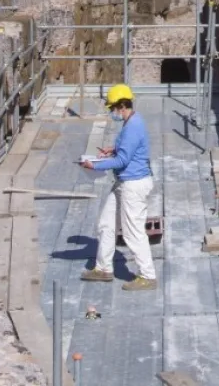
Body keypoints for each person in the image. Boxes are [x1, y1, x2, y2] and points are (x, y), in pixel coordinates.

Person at [80, 83, 157, 290]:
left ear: (122, 105)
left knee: (133, 233)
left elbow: (123, 161)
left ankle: (148, 276)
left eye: (112, 108)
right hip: (124, 182)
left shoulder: (132, 125)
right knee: (106, 224)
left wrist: (94, 164)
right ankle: (104, 268)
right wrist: (112, 149)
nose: (111, 112)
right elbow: (126, 150)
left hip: (133, 185)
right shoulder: (133, 121)